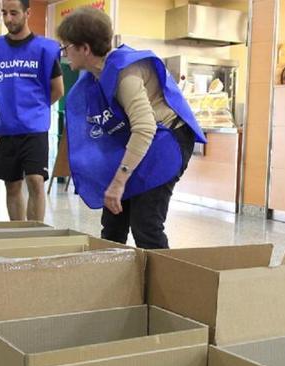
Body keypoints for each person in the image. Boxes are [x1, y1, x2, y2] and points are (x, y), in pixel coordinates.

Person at [57, 7, 206, 249]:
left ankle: (167, 285)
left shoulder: (126, 75)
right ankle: (115, 282)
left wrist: (118, 182)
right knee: (113, 222)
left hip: (167, 140)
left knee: (146, 224)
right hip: (144, 140)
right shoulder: (94, 75)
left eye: (66, 47)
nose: (64, 54)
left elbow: (145, 128)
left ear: (85, 48)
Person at [0, 0, 64, 222]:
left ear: (27, 13)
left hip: (34, 129)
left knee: (36, 180)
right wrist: (7, 109)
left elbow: (58, 89)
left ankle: (34, 235)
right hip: (6, 128)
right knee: (12, 185)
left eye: (14, 13)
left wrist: (34, 109)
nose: (8, 19)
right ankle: (17, 234)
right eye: (4, 13)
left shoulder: (45, 49)